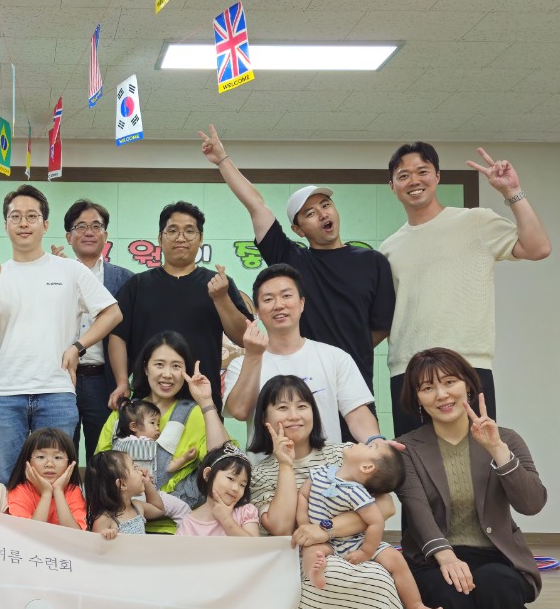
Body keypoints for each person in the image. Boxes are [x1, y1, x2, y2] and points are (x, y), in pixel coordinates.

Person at [247, 374, 434, 609]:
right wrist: (285, 465)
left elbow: (385, 507)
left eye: (302, 406)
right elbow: (281, 527)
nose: (294, 415)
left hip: (350, 547)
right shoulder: (261, 472)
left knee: (379, 578)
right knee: (311, 579)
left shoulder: (340, 453)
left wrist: (325, 529)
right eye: (282, 407)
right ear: (265, 418)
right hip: (292, 557)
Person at [396, 347, 551, 609]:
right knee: (452, 593)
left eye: (449, 382)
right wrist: (446, 555)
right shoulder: (408, 447)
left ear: (468, 385)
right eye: (428, 388)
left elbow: (532, 504)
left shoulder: (506, 438)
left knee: (499, 584)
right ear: (417, 399)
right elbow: (417, 512)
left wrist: (496, 449)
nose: (441, 394)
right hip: (434, 557)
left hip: (495, 553)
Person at [199, 126, 394, 397]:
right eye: (310, 213)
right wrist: (222, 160)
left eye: (326, 205)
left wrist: (348, 352)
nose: (322, 214)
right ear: (298, 229)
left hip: (355, 382)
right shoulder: (293, 260)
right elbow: (256, 206)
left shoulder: (372, 261)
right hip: (301, 388)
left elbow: (382, 325)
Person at [384, 142, 552, 436]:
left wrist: (511, 191)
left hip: (466, 365)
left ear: (437, 176)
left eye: (422, 171)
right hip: (407, 371)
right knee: (414, 462)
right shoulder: (389, 248)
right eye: (404, 175)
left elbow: (538, 247)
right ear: (392, 186)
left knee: (479, 458)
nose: (414, 181)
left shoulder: (475, 221)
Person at [0, 184, 122, 485]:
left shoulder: (70, 270)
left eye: (32, 216)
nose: (23, 223)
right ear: (5, 224)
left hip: (57, 391)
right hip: (4, 394)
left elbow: (112, 313)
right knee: (5, 478)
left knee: (57, 481)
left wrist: (78, 346)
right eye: (15, 216)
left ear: (45, 224)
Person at [108, 200, 253, 410]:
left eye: (189, 231)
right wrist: (122, 381)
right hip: (148, 402)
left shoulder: (219, 284)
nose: (181, 238)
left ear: (201, 238)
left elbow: (244, 337)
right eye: (172, 231)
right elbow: (117, 336)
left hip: (202, 399)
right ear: (160, 238)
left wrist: (221, 298)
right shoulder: (137, 285)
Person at [223, 264, 379, 457]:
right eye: (268, 299)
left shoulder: (335, 357)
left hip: (328, 472)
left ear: (302, 303)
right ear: (258, 311)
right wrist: (254, 356)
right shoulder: (242, 364)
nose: (278, 305)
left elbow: (357, 416)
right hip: (267, 473)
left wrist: (376, 442)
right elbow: (240, 411)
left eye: (286, 296)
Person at [297, 438, 449, 609]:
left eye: (371, 446)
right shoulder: (320, 472)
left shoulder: (357, 492)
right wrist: (304, 523)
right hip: (324, 541)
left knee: (395, 558)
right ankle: (314, 574)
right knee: (313, 551)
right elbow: (303, 494)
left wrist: (366, 552)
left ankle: (416, 608)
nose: (363, 443)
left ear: (367, 467)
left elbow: (376, 522)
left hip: (356, 540)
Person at [95, 334, 228, 531]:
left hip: (175, 528)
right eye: (159, 364)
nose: (167, 374)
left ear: (185, 372)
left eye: (176, 366)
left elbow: (224, 460)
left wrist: (206, 402)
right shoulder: (124, 414)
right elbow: (99, 467)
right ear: (145, 368)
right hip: (121, 527)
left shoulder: (195, 414)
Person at [64, 199, 134, 460]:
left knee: (104, 457)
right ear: (69, 236)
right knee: (60, 453)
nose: (89, 232)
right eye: (81, 226)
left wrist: (124, 380)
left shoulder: (125, 279)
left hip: (103, 382)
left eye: (96, 226)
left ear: (105, 234)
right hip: (63, 378)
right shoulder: (56, 274)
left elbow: (129, 333)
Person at [5, 428, 87, 530]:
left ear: (70, 463)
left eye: (57, 457)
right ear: (27, 462)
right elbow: (30, 534)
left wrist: (58, 490)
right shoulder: (20, 491)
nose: (49, 464)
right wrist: (46, 493)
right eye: (41, 457)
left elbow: (75, 535)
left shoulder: (73, 491)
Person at [174, 447, 260, 537]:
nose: (236, 488)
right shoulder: (189, 523)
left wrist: (225, 519)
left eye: (242, 485)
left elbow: (254, 545)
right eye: (231, 478)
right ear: (208, 474)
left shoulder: (245, 512)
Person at [84, 450, 165, 539]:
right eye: (134, 468)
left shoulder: (137, 506)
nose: (141, 472)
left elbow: (159, 510)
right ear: (122, 484)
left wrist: (147, 483)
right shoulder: (104, 520)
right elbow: (95, 546)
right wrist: (105, 536)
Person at [112, 398, 196, 477]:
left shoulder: (120, 442)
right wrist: (184, 459)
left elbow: (165, 467)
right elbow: (166, 467)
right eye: (152, 423)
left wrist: (185, 458)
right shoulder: (122, 444)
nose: (157, 428)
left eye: (158, 424)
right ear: (133, 426)